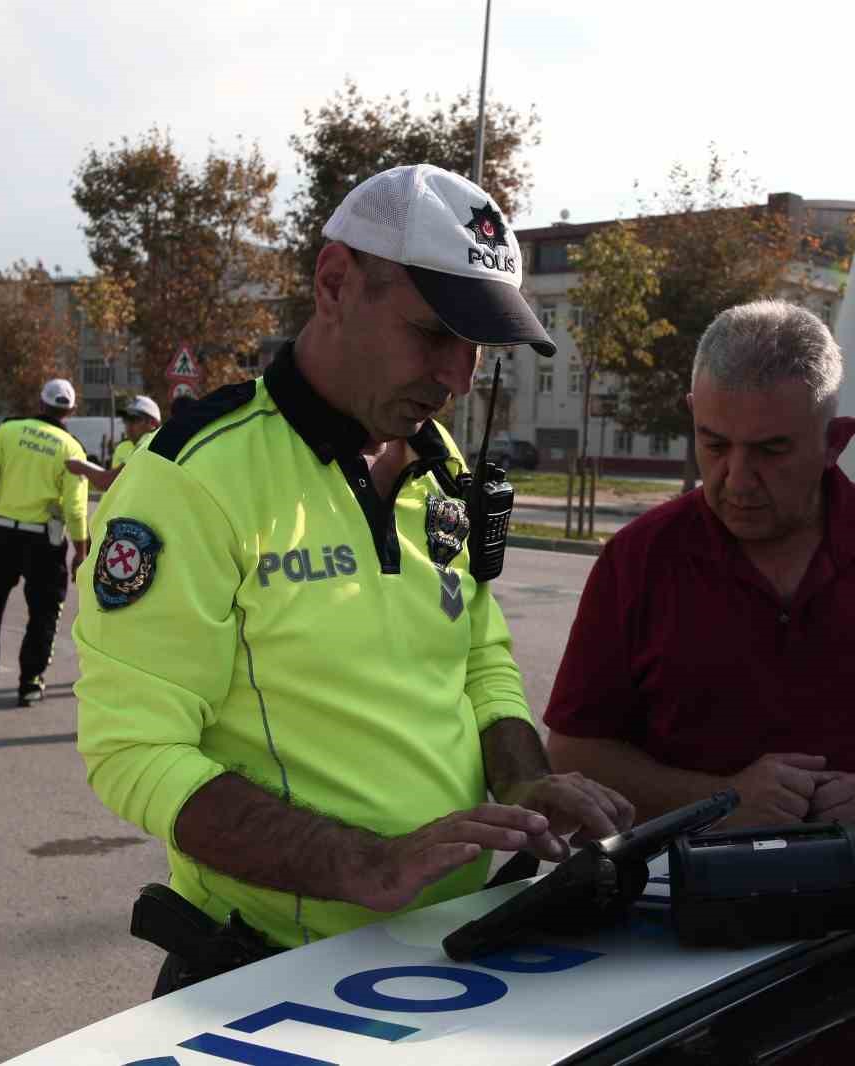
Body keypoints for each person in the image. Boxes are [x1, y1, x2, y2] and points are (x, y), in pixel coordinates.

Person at [72, 163, 634, 996]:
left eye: (478, 345)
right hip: (269, 974)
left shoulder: (446, 471)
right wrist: (362, 864)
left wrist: (521, 779)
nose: (457, 376)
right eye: (434, 332)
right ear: (334, 283)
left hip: (450, 949)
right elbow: (132, 750)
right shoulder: (195, 475)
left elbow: (478, 659)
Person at [543, 300, 855, 849]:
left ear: (835, 442)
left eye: (771, 450)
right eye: (715, 444)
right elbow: (573, 749)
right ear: (693, 414)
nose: (737, 480)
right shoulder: (637, 558)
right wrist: (718, 803)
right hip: (679, 912)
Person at [0, 378, 91, 706]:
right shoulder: (71, 448)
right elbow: (75, 507)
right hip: (44, 543)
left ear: (40, 403)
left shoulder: (9, 431)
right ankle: (30, 681)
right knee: (44, 614)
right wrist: (80, 550)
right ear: (70, 410)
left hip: (2, 535)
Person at [64, 394, 161, 492]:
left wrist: (81, 467)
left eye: (134, 419)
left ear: (152, 423)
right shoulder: (126, 446)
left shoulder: (148, 443)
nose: (128, 425)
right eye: (125, 419)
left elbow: (108, 482)